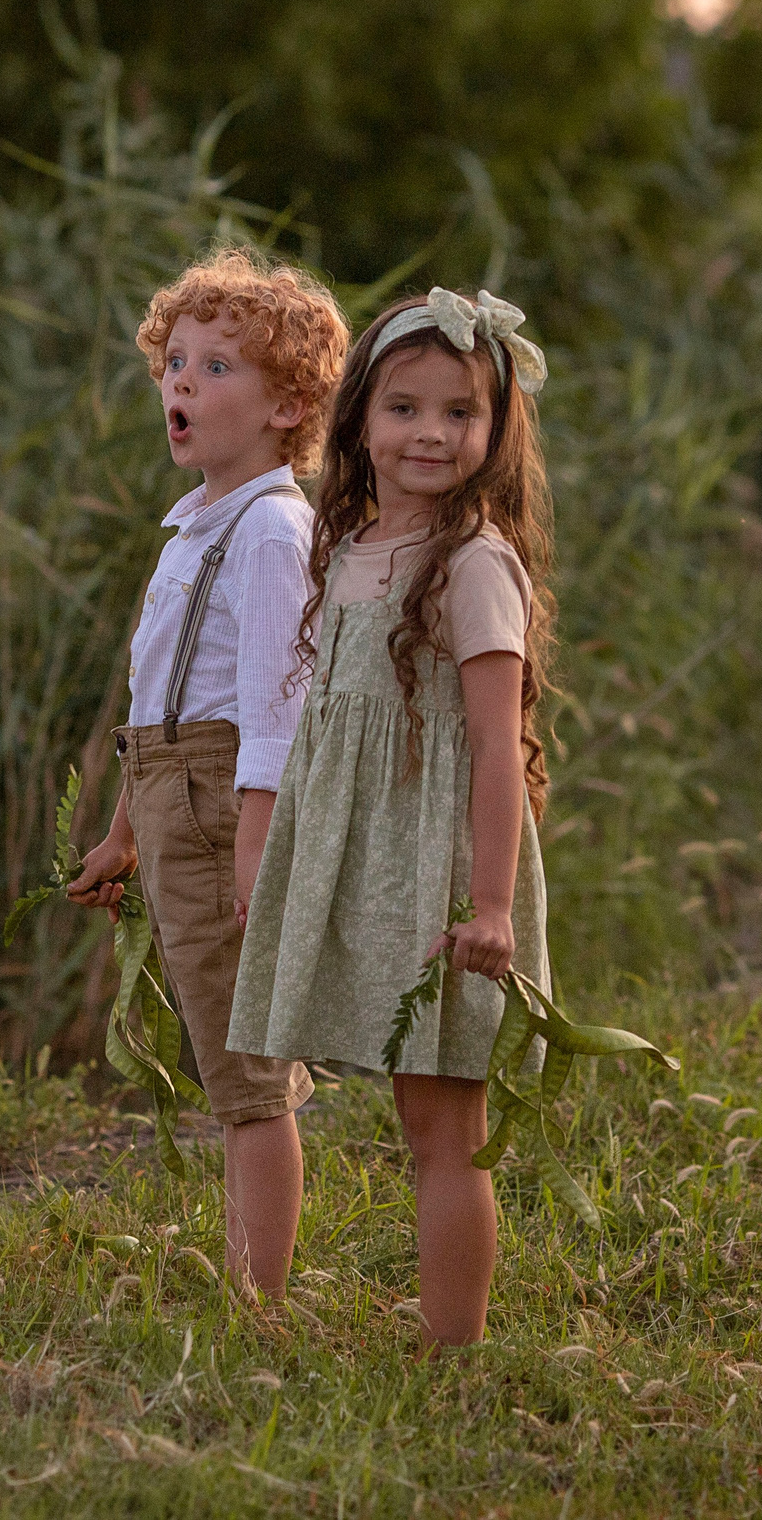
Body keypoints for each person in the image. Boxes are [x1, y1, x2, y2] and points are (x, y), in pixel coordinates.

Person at [227, 286, 559, 1348]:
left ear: (494, 429)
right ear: (358, 420)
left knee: (441, 1125)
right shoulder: (348, 548)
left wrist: (493, 903)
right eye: (404, 407)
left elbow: (496, 748)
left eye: (459, 411)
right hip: (359, 861)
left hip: (439, 868)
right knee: (410, 1114)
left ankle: (449, 1349)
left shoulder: (474, 565)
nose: (430, 432)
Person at [66, 247, 348, 1301]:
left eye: (217, 367)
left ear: (289, 406)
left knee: (246, 1080)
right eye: (174, 362)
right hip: (177, 798)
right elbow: (162, 701)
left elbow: (276, 704)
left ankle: (256, 1301)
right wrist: (123, 832)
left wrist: (254, 833)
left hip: (229, 802)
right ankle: (247, 1278)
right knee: (226, 1053)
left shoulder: (273, 530)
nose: (181, 382)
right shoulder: (195, 527)